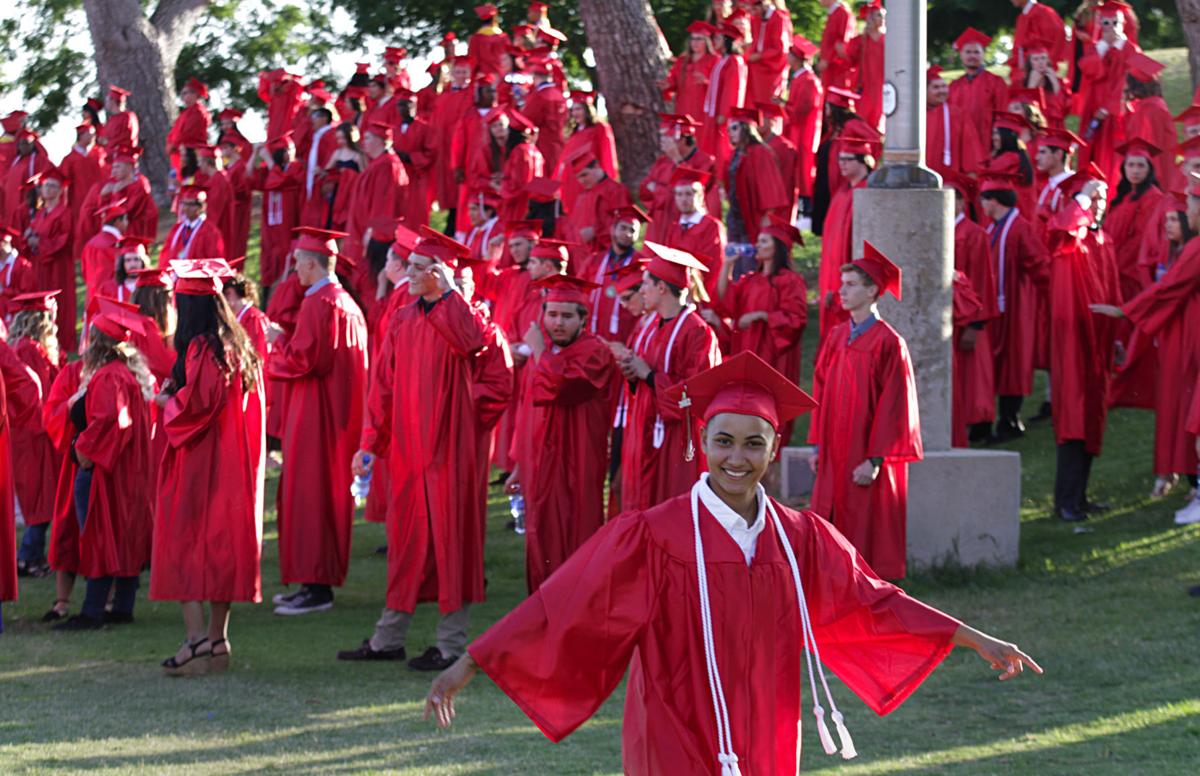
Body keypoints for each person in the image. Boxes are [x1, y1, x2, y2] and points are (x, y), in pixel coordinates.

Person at [423, 350, 1042, 774]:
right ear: (702, 444)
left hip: (768, 724)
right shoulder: (651, 535)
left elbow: (874, 601)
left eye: (754, 443)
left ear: (775, 450)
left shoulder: (800, 538)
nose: (737, 457)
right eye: (723, 441)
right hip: (673, 724)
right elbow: (565, 605)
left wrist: (972, 638)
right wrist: (472, 663)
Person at [343, 228, 489, 670]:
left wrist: (448, 294)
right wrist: (370, 443)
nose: (411, 275)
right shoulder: (403, 318)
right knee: (406, 544)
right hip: (408, 452)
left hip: (449, 451)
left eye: (421, 269)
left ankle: (450, 643)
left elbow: (474, 343)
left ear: (442, 275)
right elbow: (382, 386)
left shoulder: (461, 316)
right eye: (410, 267)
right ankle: (388, 638)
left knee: (451, 542)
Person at [152, 260, 264, 676]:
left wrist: (165, 401)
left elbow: (196, 409)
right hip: (230, 467)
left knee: (184, 544)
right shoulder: (237, 345)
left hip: (201, 464)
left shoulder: (203, 348)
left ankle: (196, 640)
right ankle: (218, 641)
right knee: (219, 552)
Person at [266, 227, 368, 615]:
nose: (294, 272)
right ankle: (313, 582)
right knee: (320, 496)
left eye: (297, 265)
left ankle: (316, 587)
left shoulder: (320, 303)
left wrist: (274, 341)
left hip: (317, 416)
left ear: (311, 265)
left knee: (311, 496)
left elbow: (305, 360)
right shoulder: (345, 303)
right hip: (336, 415)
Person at [808, 243, 921, 580]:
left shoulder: (889, 342)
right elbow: (820, 390)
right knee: (828, 519)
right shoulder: (837, 335)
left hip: (862, 453)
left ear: (873, 290)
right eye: (841, 283)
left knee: (862, 521)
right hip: (832, 450)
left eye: (851, 284)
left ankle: (863, 590)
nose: (841, 290)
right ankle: (829, 585)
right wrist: (816, 445)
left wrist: (874, 460)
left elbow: (895, 407)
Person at [1092, 178, 1200, 504]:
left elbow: (1170, 290)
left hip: (1190, 336)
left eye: (1187, 208)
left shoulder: (1196, 249)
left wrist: (1126, 311)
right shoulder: (1187, 249)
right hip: (1181, 331)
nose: (1171, 222)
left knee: (1186, 405)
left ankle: (1193, 481)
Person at [507, 274, 616, 591]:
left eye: (567, 316)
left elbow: (560, 386)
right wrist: (519, 464)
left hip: (575, 464)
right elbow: (528, 412)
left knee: (574, 536)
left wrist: (539, 351)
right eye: (551, 314)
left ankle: (573, 615)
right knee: (541, 536)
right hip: (541, 464)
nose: (557, 323)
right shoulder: (545, 355)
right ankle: (541, 616)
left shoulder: (595, 352)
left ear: (583, 319)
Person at [51, 304, 155, 631]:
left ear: (96, 342)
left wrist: (82, 451)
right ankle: (122, 607)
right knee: (122, 536)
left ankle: (92, 612)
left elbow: (111, 422)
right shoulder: (125, 374)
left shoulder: (109, 377)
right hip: (125, 470)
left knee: (98, 534)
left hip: (105, 471)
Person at [616, 242, 721, 511]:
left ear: (662, 288)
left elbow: (698, 395)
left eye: (645, 284)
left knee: (670, 510)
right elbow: (641, 374)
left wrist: (649, 376)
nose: (641, 291)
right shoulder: (649, 326)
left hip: (674, 440)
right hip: (643, 431)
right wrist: (632, 374)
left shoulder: (697, 332)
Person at [1046, 183, 1121, 522]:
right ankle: (1065, 501)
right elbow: (1059, 227)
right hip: (1073, 341)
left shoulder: (1103, 240)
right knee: (1073, 419)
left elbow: (1114, 292)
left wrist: (1117, 337)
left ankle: (1080, 497)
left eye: (1102, 199)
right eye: (1093, 199)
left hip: (1100, 342)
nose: (1099, 204)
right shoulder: (1068, 241)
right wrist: (1080, 198)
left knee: (1092, 418)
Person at [718, 216, 806, 442]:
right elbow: (724, 299)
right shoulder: (750, 280)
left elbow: (796, 320)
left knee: (769, 405)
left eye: (764, 241)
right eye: (758, 241)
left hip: (773, 354)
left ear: (779, 248)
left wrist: (762, 315)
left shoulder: (790, 281)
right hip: (747, 349)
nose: (758, 245)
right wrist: (727, 264)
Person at [979, 173, 1049, 441]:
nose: (982, 206)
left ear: (993, 201)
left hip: (1017, 305)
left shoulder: (1019, 228)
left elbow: (1039, 267)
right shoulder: (994, 227)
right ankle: (994, 421)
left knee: (1013, 363)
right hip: (999, 307)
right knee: (998, 363)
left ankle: (1009, 421)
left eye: (984, 200)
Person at [9, 290, 62, 578]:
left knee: (43, 496)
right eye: (51, 314)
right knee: (42, 496)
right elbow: (38, 392)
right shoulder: (29, 349)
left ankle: (33, 556)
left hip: (33, 431)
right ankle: (27, 557)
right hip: (34, 432)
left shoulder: (28, 347)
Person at [948, 178, 999, 447]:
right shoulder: (935, 230)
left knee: (969, 380)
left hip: (966, 319)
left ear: (960, 202)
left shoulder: (974, 234)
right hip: (945, 320)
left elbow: (982, 280)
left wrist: (976, 324)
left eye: (950, 197)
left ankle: (969, 429)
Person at [819, 123, 879, 336]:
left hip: (848, 281)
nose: (841, 164)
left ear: (863, 161)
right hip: (832, 278)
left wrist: (838, 285)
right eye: (840, 159)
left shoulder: (867, 195)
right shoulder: (842, 193)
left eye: (847, 159)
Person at [725, 107, 790, 258]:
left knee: (751, 260)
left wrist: (767, 219)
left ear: (746, 128)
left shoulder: (760, 152)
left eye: (734, 128)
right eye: (728, 129)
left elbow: (770, 190)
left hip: (754, 218)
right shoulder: (736, 154)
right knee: (735, 261)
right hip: (736, 216)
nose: (730, 132)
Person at [26, 167, 77, 352]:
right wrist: (30, 238)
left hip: (58, 265)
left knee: (59, 300)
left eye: (52, 186)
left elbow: (64, 239)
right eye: (45, 186)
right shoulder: (40, 213)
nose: (47, 189)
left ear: (59, 190)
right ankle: (44, 337)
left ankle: (62, 340)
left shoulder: (64, 213)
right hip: (41, 264)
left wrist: (39, 242)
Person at [247, 134, 304, 288]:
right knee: (268, 257)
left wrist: (269, 160)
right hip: (270, 223)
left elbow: (279, 181)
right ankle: (268, 291)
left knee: (286, 255)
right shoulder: (269, 170)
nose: (289, 153)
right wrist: (255, 154)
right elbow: (249, 178)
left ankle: (286, 288)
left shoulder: (296, 167)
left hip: (287, 221)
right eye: (285, 150)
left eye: (291, 149)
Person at [581, 206, 645, 343]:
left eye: (632, 230)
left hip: (625, 336)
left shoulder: (641, 264)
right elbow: (580, 291)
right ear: (612, 230)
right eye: (623, 228)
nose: (627, 234)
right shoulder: (594, 261)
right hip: (592, 332)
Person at [699, 23, 748, 187]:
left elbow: (733, 89)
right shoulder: (723, 60)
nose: (715, 40)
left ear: (728, 40)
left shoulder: (735, 61)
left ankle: (722, 184)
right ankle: (710, 181)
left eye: (719, 37)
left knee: (722, 151)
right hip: (714, 114)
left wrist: (725, 113)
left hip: (723, 117)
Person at [555, 91, 618, 214]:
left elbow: (607, 155)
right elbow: (562, 162)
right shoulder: (574, 134)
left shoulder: (600, 129)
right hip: (570, 184)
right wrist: (556, 184)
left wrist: (606, 181)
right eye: (573, 110)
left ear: (587, 110)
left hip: (588, 181)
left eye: (579, 109)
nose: (575, 113)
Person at [561, 150, 631, 255]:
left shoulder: (616, 191)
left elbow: (624, 223)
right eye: (578, 177)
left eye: (585, 175)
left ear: (597, 166)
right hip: (582, 257)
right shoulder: (582, 196)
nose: (582, 181)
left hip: (604, 255)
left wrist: (596, 231)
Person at [948, 28, 1010, 147]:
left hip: (987, 143)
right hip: (959, 143)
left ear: (983, 55)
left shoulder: (996, 82)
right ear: (961, 55)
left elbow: (1003, 114)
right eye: (968, 52)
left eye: (976, 52)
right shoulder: (954, 86)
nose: (972, 56)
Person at [784, 34, 823, 217]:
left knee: (804, 169)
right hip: (798, 129)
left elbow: (801, 110)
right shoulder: (801, 78)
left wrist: (782, 105)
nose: (787, 57)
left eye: (790, 54)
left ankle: (806, 206)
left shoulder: (808, 81)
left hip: (804, 131)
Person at [926, 66, 987, 182]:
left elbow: (969, 145)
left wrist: (971, 172)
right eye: (936, 87)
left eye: (944, 86)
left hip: (950, 180)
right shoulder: (916, 116)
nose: (942, 91)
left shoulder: (957, 114)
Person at [662, 22, 719, 122]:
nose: (694, 42)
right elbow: (673, 78)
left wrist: (706, 81)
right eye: (692, 39)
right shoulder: (682, 60)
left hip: (704, 108)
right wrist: (667, 84)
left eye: (698, 39)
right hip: (684, 105)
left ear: (706, 41)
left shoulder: (715, 60)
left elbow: (721, 84)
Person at [159, 185, 225, 265]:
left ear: (202, 207)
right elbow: (166, 255)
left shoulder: (211, 232)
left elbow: (214, 263)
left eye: (191, 205)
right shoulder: (177, 229)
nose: (186, 208)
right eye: (184, 204)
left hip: (197, 276)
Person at [846, 2, 885, 133]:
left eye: (884, 16)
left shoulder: (889, 40)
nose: (883, 19)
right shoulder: (861, 41)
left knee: (880, 121)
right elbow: (850, 60)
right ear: (869, 18)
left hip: (883, 85)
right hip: (865, 87)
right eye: (879, 15)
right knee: (864, 121)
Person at [747, 0, 791, 107]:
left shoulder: (779, 18)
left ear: (764, 5)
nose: (752, 12)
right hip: (757, 68)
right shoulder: (756, 19)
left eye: (755, 8)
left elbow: (780, 48)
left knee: (769, 105)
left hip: (772, 69)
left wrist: (759, 56)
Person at [166, 78, 211, 177]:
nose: (183, 97)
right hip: (181, 152)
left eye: (186, 93)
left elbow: (186, 133)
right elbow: (174, 131)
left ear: (195, 94)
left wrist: (173, 145)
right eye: (183, 94)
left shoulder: (198, 112)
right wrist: (170, 144)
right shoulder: (186, 113)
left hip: (192, 153)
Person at [1010, 0, 1067, 78]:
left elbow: (1057, 38)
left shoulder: (1043, 12)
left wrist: (1048, 61)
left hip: (1040, 72)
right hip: (1023, 71)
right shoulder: (1022, 16)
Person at [817, 0, 854, 90]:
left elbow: (842, 45)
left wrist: (827, 59)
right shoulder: (834, 13)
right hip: (830, 68)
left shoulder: (842, 13)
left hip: (837, 70)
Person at [99, 85, 138, 150]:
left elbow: (128, 137)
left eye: (107, 99)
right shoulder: (111, 120)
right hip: (111, 155)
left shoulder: (128, 117)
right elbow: (104, 137)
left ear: (113, 101)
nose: (106, 102)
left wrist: (109, 143)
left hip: (124, 155)